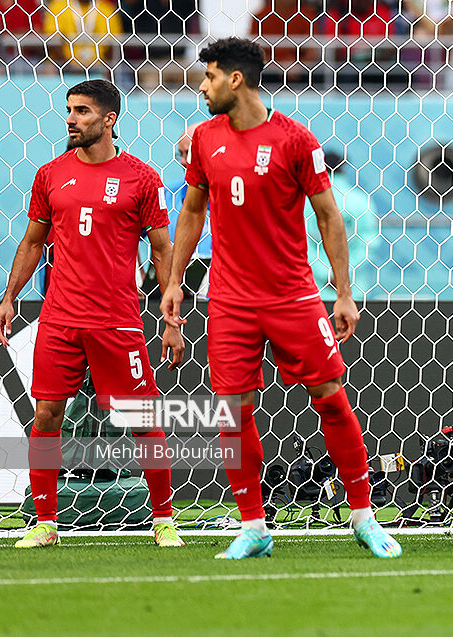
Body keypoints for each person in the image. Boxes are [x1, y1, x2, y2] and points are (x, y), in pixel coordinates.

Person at [161, 38, 401, 560]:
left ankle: (363, 516)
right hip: (228, 300)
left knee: (330, 397)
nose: (202, 86)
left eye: (209, 77)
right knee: (233, 410)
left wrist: (343, 291)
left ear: (236, 80)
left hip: (293, 296)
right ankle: (254, 526)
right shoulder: (204, 139)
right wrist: (175, 281)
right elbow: (192, 212)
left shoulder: (295, 140)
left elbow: (329, 216)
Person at [0, 79, 184, 549]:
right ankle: (44, 523)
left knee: (142, 417)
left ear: (109, 119)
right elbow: (33, 242)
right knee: (48, 415)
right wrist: (9, 297)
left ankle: (163, 520)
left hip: (117, 319)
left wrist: (172, 317)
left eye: (81, 111)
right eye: (68, 110)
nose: (71, 118)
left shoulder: (142, 178)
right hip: (59, 318)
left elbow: (162, 251)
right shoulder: (51, 174)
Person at [308, 150, 381, 301]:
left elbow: (300, 242)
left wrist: (325, 273)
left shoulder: (306, 201)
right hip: (353, 291)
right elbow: (369, 242)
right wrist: (343, 273)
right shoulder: (360, 201)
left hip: (314, 291)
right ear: (344, 168)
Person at [163, 124, 211, 298]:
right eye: (180, 154)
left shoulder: (231, 196)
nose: (184, 161)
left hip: (221, 299)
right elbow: (129, 234)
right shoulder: (168, 194)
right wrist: (138, 277)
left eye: (188, 153)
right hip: (176, 298)